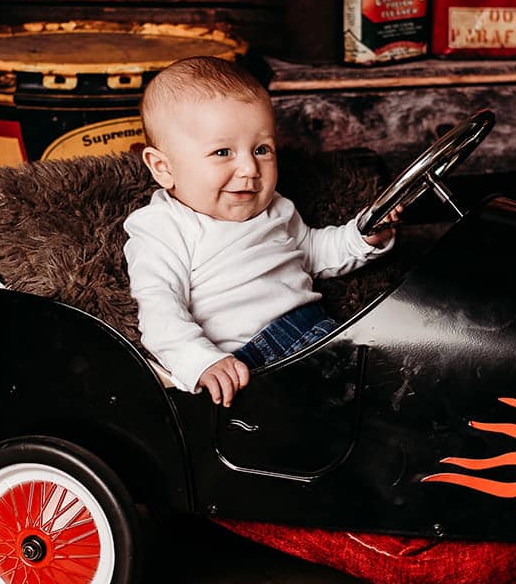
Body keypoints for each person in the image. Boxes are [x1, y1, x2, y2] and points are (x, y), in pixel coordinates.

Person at [123, 56, 398, 406]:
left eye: (261, 149)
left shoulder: (275, 208)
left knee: (391, 382)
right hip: (247, 363)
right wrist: (200, 361)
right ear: (163, 167)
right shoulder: (162, 227)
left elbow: (313, 253)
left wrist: (362, 237)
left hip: (316, 331)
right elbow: (160, 309)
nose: (250, 168)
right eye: (223, 152)